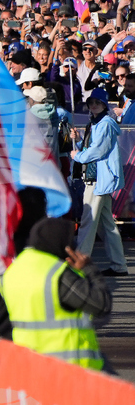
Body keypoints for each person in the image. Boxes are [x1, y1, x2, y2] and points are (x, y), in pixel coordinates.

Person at [0, 217, 111, 370]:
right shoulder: (57, 273)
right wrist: (89, 269)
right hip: (69, 365)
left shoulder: (11, 272)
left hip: (25, 362)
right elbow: (101, 304)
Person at [70, 87, 130, 276]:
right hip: (99, 178)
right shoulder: (97, 123)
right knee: (107, 227)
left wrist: (77, 155)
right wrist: (79, 141)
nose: (94, 106)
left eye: (97, 103)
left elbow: (98, 151)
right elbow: (93, 148)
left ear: (104, 105)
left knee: (88, 222)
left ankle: (79, 265)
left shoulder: (104, 123)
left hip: (98, 179)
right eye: (91, 103)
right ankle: (119, 265)